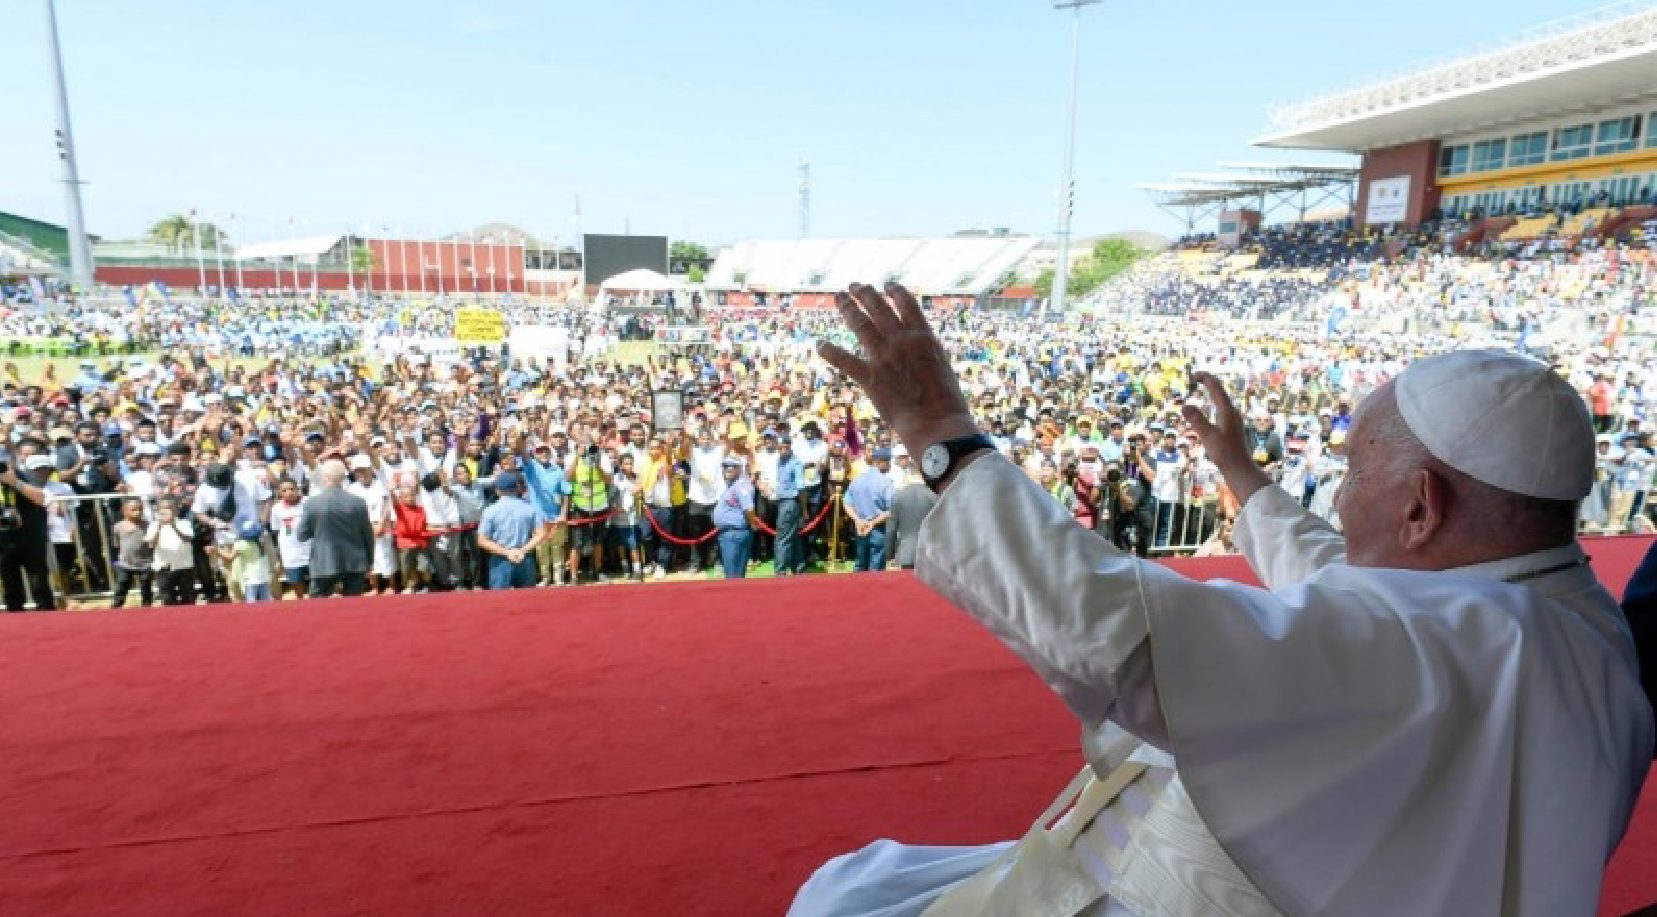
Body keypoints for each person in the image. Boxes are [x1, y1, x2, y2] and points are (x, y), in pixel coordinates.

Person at [793, 283, 1654, 917]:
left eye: (1354, 473)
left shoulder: (1422, 638)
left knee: (844, 900)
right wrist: (1243, 476)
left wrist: (940, 434)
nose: (1341, 496)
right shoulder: (1569, 617)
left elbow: (1113, 632)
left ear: (1421, 506)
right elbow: (1335, 576)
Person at [297, 459, 376, 598]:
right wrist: (369, 560)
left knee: (317, 607)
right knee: (353, 608)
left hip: (323, 562)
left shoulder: (312, 503)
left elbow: (301, 535)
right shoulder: (358, 502)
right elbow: (367, 534)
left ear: (324, 477)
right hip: (354, 562)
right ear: (344, 477)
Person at [0, 455, 55, 611]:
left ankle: (47, 615)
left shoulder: (25, 476)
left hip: (31, 538)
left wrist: (15, 482)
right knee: (11, 586)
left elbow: (41, 498)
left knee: (39, 582)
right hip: (4, 540)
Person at [477, 470, 545, 590]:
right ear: (517, 488)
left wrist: (507, 552)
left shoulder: (490, 511)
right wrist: (522, 550)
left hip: (500, 560)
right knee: (528, 600)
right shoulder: (530, 509)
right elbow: (541, 534)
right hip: (524, 558)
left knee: (499, 602)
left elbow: (482, 540)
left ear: (497, 490)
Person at [844, 447, 894, 572]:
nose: (889, 465)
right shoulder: (886, 483)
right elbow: (892, 510)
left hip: (860, 528)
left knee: (860, 565)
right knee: (876, 569)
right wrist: (871, 523)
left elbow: (847, 504)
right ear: (880, 462)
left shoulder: (857, 480)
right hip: (878, 529)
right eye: (888, 462)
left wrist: (857, 520)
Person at [711, 455, 758, 579]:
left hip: (735, 534)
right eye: (725, 466)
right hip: (729, 534)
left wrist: (752, 523)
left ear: (739, 469)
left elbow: (749, 508)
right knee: (732, 573)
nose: (727, 469)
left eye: (731, 466)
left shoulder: (742, 485)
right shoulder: (731, 486)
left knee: (734, 574)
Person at [146, 496, 196, 607]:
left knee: (188, 597)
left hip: (183, 566)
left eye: (169, 509)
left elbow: (187, 538)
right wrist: (159, 527)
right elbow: (151, 544)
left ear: (176, 510)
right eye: (162, 510)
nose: (165, 512)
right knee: (167, 597)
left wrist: (174, 525)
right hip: (164, 567)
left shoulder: (184, 523)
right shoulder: (153, 525)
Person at [269, 477, 310, 600]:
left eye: (292, 489)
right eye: (284, 490)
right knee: (296, 582)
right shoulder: (276, 508)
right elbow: (276, 529)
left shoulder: (308, 502)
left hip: (310, 549)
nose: (289, 492)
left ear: (298, 489)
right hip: (290, 552)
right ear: (280, 493)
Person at [110, 496, 154, 608]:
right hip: (125, 563)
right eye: (133, 510)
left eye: (140, 509)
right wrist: (116, 562)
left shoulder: (147, 525)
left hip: (145, 563)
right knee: (122, 584)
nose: (137, 512)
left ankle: (147, 606)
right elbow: (116, 545)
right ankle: (116, 606)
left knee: (146, 585)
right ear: (124, 511)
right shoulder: (118, 527)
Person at [884, 478, 937, 571]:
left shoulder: (898, 497)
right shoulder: (933, 495)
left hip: (906, 552)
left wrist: (889, 555)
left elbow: (891, 530)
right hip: (930, 552)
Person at [772, 436, 806, 575]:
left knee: (782, 538)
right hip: (783, 501)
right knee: (793, 536)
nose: (782, 450)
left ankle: (780, 571)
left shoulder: (795, 463)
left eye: (785, 447)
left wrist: (804, 509)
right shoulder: (780, 460)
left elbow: (801, 488)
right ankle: (798, 567)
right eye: (779, 448)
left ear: (790, 446)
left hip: (791, 501)